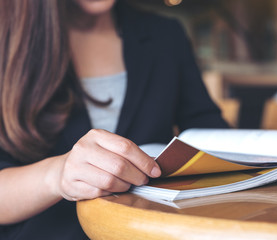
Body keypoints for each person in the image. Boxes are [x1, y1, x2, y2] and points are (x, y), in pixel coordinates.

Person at [0, 0, 228, 239]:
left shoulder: (165, 34)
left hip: (150, 231)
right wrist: (57, 175)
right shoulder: (9, 40)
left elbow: (208, 129)